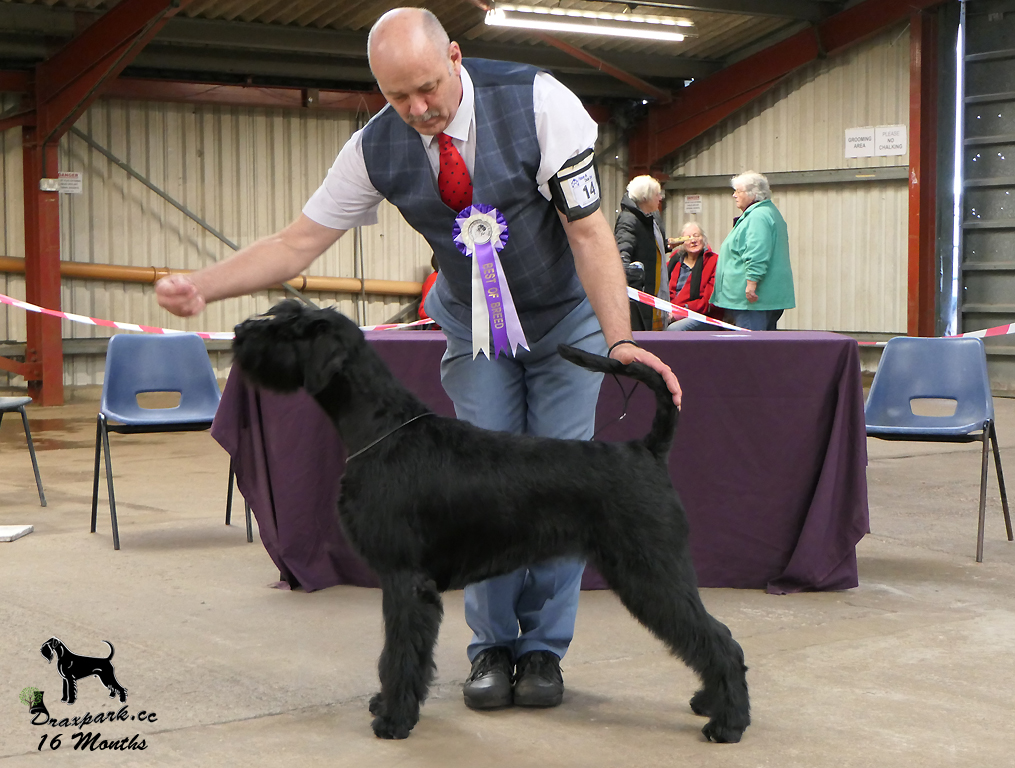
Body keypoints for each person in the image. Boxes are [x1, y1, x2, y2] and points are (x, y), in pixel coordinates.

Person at [154, 8, 680, 714]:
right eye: (398, 96)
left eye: (428, 88)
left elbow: (588, 234)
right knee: (476, 488)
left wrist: (618, 341)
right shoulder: (376, 145)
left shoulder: (540, 102)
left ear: (456, 57)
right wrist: (204, 287)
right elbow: (297, 242)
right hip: (473, 324)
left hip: (566, 317)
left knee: (564, 475)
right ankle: (490, 648)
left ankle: (543, 652)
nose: (418, 109)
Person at [711, 171, 795, 331]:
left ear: (753, 194)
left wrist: (751, 283)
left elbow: (757, 252)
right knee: (762, 347)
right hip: (761, 300)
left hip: (752, 302)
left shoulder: (757, 217)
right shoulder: (767, 213)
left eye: (738, 191)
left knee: (750, 349)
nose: (734, 195)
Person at [614, 175, 670, 331]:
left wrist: (667, 245)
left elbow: (650, 246)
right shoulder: (629, 219)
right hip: (642, 293)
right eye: (657, 194)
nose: (660, 198)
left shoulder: (652, 218)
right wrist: (630, 274)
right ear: (645, 197)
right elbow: (622, 252)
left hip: (656, 291)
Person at [665, 222, 723, 331]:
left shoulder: (714, 261)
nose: (693, 240)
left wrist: (679, 313)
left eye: (696, 236)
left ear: (703, 239)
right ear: (681, 242)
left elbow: (709, 301)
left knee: (674, 329)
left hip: (702, 315)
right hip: (671, 311)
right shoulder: (674, 261)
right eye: (688, 237)